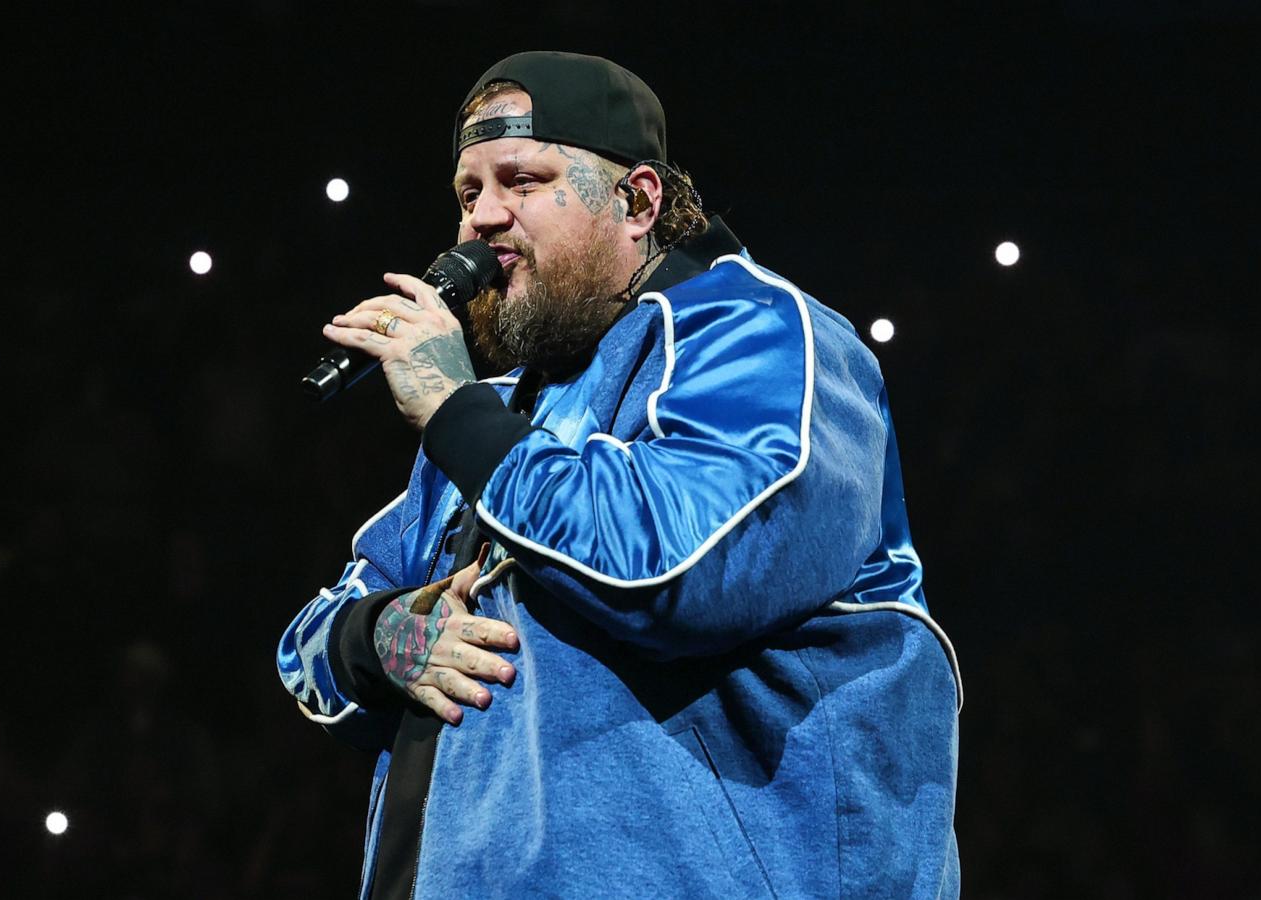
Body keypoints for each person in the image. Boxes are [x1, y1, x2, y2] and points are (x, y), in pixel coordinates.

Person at [278, 51, 961, 899]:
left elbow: (682, 567)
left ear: (636, 202)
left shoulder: (761, 335)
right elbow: (309, 639)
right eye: (467, 192)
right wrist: (386, 640)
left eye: (522, 181)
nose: (481, 219)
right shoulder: (495, 410)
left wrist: (455, 411)